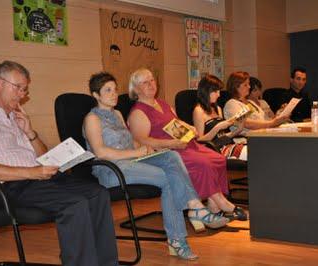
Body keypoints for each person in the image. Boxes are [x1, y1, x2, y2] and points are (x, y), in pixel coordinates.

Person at [0, 61, 118, 266]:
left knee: (98, 194)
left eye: (24, 89)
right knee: (75, 204)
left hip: (40, 180)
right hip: (10, 188)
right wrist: (32, 172)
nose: (22, 94)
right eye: (18, 87)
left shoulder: (15, 119)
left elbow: (44, 157)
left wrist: (30, 133)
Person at [83, 72, 228, 261]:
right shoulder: (92, 119)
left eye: (115, 89)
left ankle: (193, 210)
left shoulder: (117, 114)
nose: (114, 94)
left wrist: (145, 148)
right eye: (107, 90)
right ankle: (181, 234)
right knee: (169, 179)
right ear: (96, 95)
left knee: (171, 156)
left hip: (131, 161)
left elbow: (130, 142)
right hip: (111, 169)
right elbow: (101, 152)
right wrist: (136, 152)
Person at [126, 68, 247, 221]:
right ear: (136, 89)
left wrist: (190, 128)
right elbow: (141, 141)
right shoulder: (138, 112)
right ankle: (222, 203)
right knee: (203, 163)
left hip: (185, 145)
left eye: (152, 80)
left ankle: (213, 205)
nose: (151, 84)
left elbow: (176, 123)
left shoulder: (162, 104)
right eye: (145, 82)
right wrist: (172, 143)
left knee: (217, 158)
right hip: (168, 151)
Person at [193, 74, 247, 161]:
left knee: (256, 148)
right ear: (206, 91)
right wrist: (217, 127)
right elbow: (200, 141)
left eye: (219, 91)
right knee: (251, 153)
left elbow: (222, 137)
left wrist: (239, 129)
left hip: (226, 145)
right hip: (215, 149)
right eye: (215, 92)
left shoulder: (218, 108)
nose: (219, 95)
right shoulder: (199, 111)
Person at [223, 71, 288, 135]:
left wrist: (280, 114)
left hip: (262, 135)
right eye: (245, 85)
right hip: (246, 139)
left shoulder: (250, 103)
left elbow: (265, 120)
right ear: (236, 87)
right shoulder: (232, 104)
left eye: (248, 84)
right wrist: (272, 123)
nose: (249, 87)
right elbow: (246, 123)